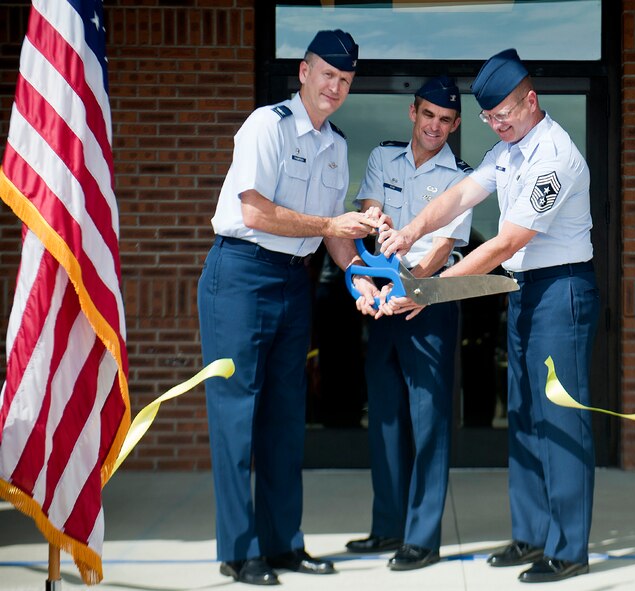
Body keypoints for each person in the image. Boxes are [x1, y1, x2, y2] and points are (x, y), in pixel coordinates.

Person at [377, 49, 601, 583]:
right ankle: (531, 535)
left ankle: (568, 547)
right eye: (489, 118)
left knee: (560, 418)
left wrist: (431, 290)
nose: (497, 125)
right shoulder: (508, 149)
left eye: (504, 114)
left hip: (562, 289)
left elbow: (505, 243)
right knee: (523, 415)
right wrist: (409, 231)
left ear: (531, 101)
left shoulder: (555, 156)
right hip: (523, 290)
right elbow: (460, 195)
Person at [197, 29, 381, 586]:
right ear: (304, 72)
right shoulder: (266, 125)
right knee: (236, 418)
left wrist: (358, 277)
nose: (336, 87)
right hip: (241, 275)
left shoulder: (337, 145)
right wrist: (331, 224)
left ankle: (283, 544)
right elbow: (255, 212)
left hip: (293, 281)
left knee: (284, 419)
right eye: (328, 74)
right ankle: (239, 551)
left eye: (345, 80)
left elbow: (334, 236)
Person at [345, 76, 473, 570]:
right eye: (428, 115)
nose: (435, 126)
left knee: (428, 424)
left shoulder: (461, 176)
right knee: (385, 417)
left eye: (445, 120)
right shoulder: (383, 157)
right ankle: (387, 527)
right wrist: (376, 224)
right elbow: (369, 209)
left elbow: (444, 245)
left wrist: (412, 286)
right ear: (413, 113)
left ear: (455, 125)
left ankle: (422, 538)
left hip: (427, 303)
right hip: (383, 302)